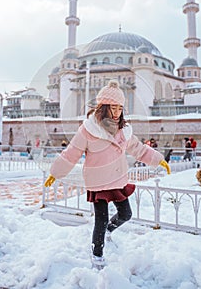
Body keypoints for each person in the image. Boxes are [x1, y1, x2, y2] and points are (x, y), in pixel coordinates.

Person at [44, 80, 170, 269]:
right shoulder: (88, 129)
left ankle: (109, 231)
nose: (117, 112)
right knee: (100, 220)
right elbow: (71, 152)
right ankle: (97, 254)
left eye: (120, 107)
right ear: (103, 107)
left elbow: (138, 149)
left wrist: (158, 159)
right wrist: (56, 172)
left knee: (126, 214)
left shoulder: (124, 131)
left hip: (118, 179)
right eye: (113, 107)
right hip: (98, 180)